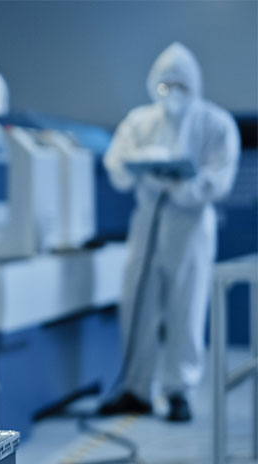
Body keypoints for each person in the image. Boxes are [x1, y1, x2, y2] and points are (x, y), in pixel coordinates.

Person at [100, 42, 240, 422]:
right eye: (166, 85)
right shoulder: (140, 122)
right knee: (137, 304)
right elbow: (116, 162)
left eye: (181, 85)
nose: (172, 93)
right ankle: (136, 387)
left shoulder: (215, 123)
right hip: (147, 223)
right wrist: (141, 171)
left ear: (194, 84)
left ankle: (180, 390)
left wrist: (180, 187)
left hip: (191, 226)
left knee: (187, 307)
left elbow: (220, 178)